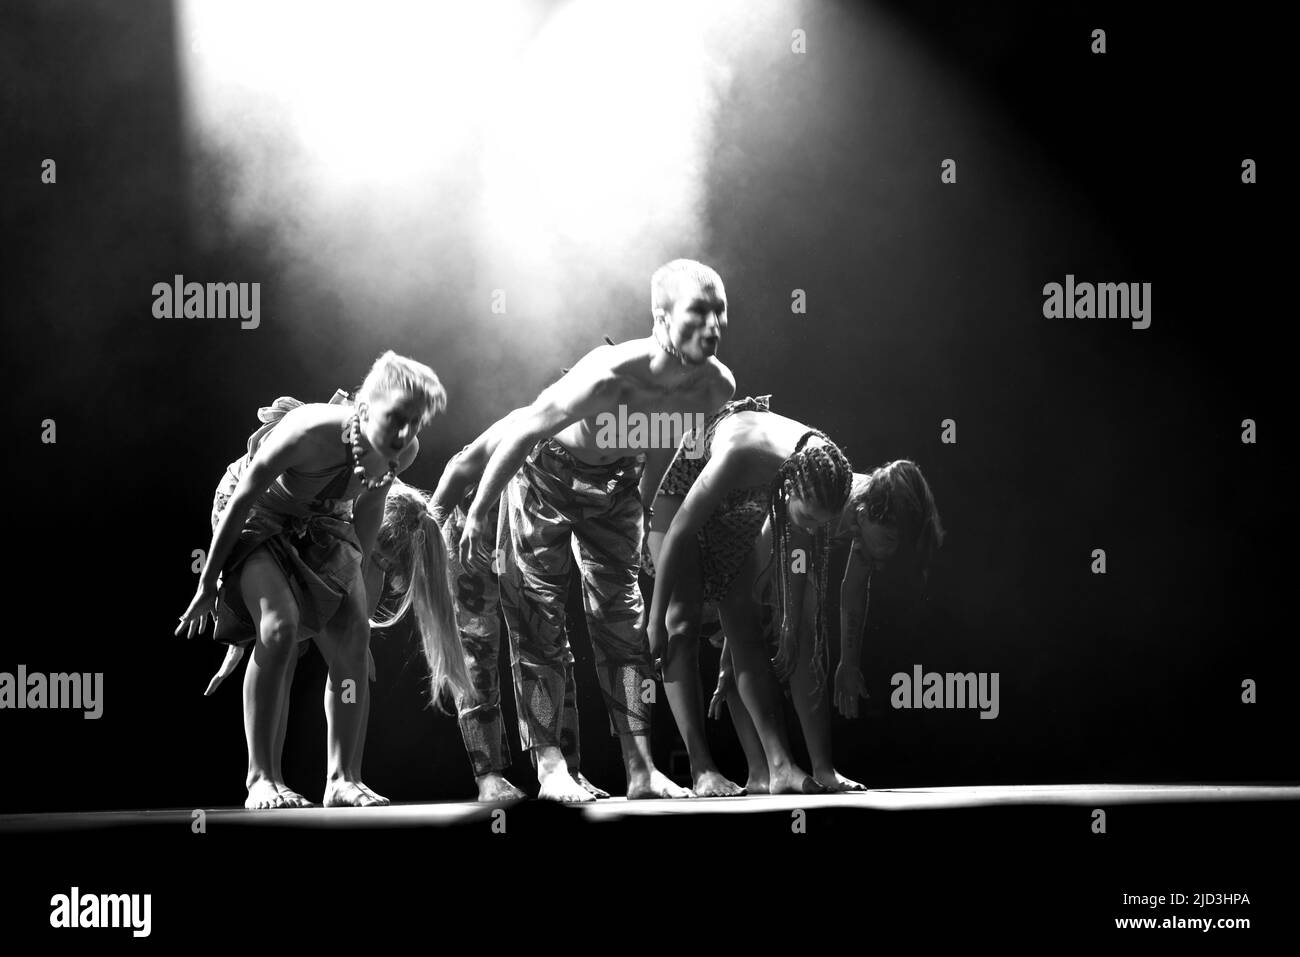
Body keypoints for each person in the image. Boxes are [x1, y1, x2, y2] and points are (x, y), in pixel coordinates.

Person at [460, 259, 735, 801]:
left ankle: (640, 769)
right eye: (698, 313)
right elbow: (525, 429)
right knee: (539, 621)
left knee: (626, 630)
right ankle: (550, 764)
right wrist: (476, 511)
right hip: (547, 474)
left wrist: (651, 528)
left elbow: (665, 450)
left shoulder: (714, 387)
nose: (714, 326)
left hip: (617, 485)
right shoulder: (608, 375)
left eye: (721, 313)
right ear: (661, 317)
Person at [176, 352, 470, 809]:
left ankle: (343, 779)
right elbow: (243, 500)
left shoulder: (401, 452)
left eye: (416, 423)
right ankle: (261, 778)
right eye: (396, 419)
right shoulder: (310, 433)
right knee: (280, 628)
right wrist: (207, 583)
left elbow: (367, 520)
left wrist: (359, 608)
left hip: (324, 520)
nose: (406, 434)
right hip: (256, 512)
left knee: (353, 640)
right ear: (366, 409)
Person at [371, 414, 609, 800]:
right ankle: (489, 776)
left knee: (548, 640)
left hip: (522, 533)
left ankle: (565, 765)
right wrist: (441, 543)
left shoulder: (586, 454)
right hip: (469, 534)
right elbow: (457, 470)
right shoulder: (538, 425)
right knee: (475, 650)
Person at [645, 396, 855, 795]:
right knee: (683, 618)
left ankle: (781, 767)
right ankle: (702, 767)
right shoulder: (740, 457)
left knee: (744, 621)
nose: (811, 529)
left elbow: (793, 546)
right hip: (681, 479)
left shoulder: (823, 469)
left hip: (743, 495)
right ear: (790, 486)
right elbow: (678, 534)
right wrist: (655, 622)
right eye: (808, 518)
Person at [699, 459, 945, 791]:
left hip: (782, 561)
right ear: (864, 512)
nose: (887, 554)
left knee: (805, 637)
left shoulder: (869, 515)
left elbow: (854, 590)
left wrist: (848, 662)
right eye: (887, 540)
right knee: (758, 643)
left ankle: (822, 769)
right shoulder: (825, 499)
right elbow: (744, 594)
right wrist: (732, 651)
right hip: (739, 542)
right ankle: (761, 771)